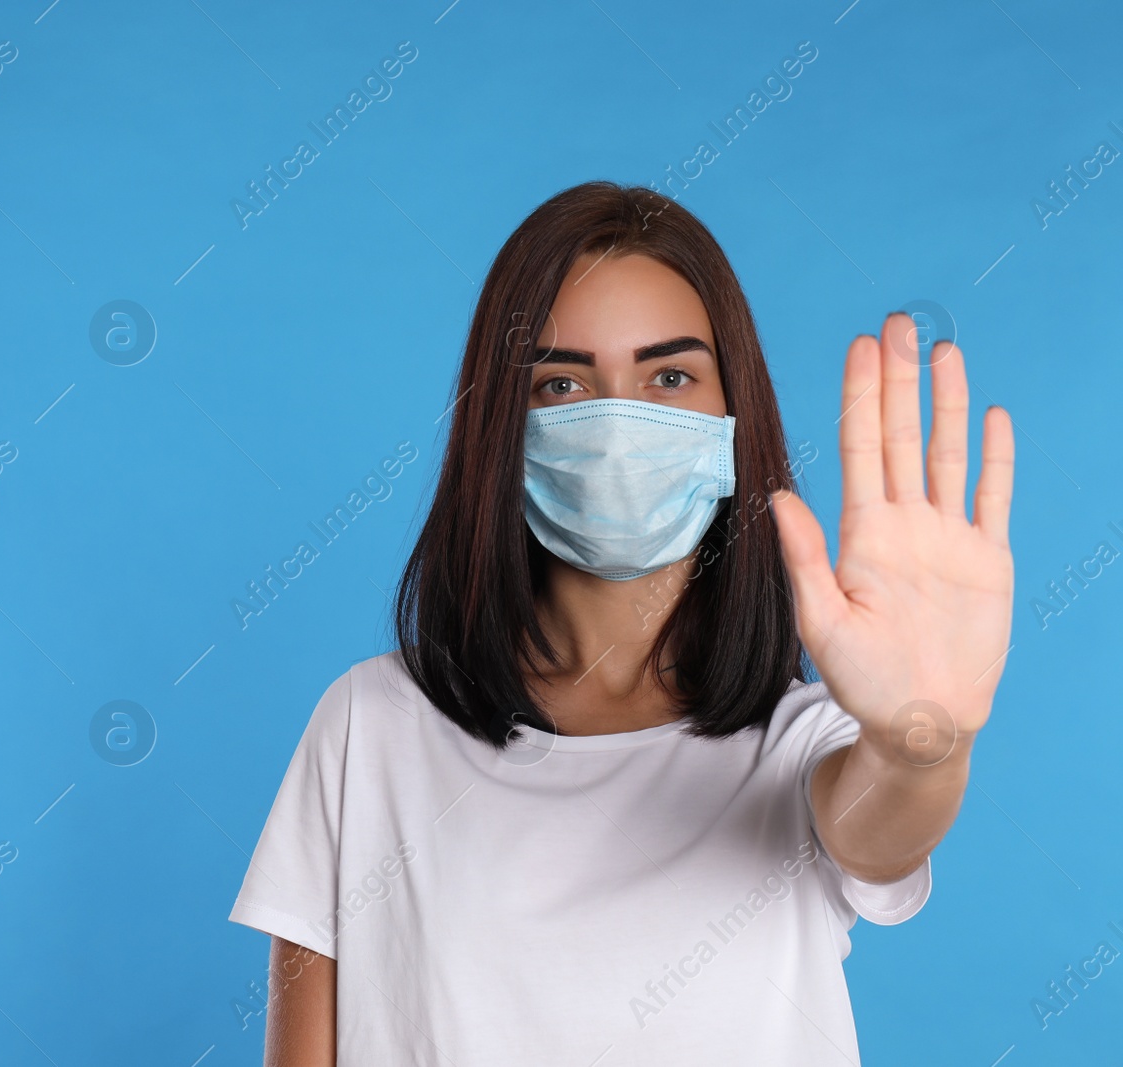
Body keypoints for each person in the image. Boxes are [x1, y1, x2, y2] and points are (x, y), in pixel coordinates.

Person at [226, 181, 1015, 1065]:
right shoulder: (368, 726)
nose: (616, 422)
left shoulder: (798, 745)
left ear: (729, 415)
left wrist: (920, 744)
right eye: (562, 382)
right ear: (501, 424)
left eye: (668, 376)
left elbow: (880, 827)